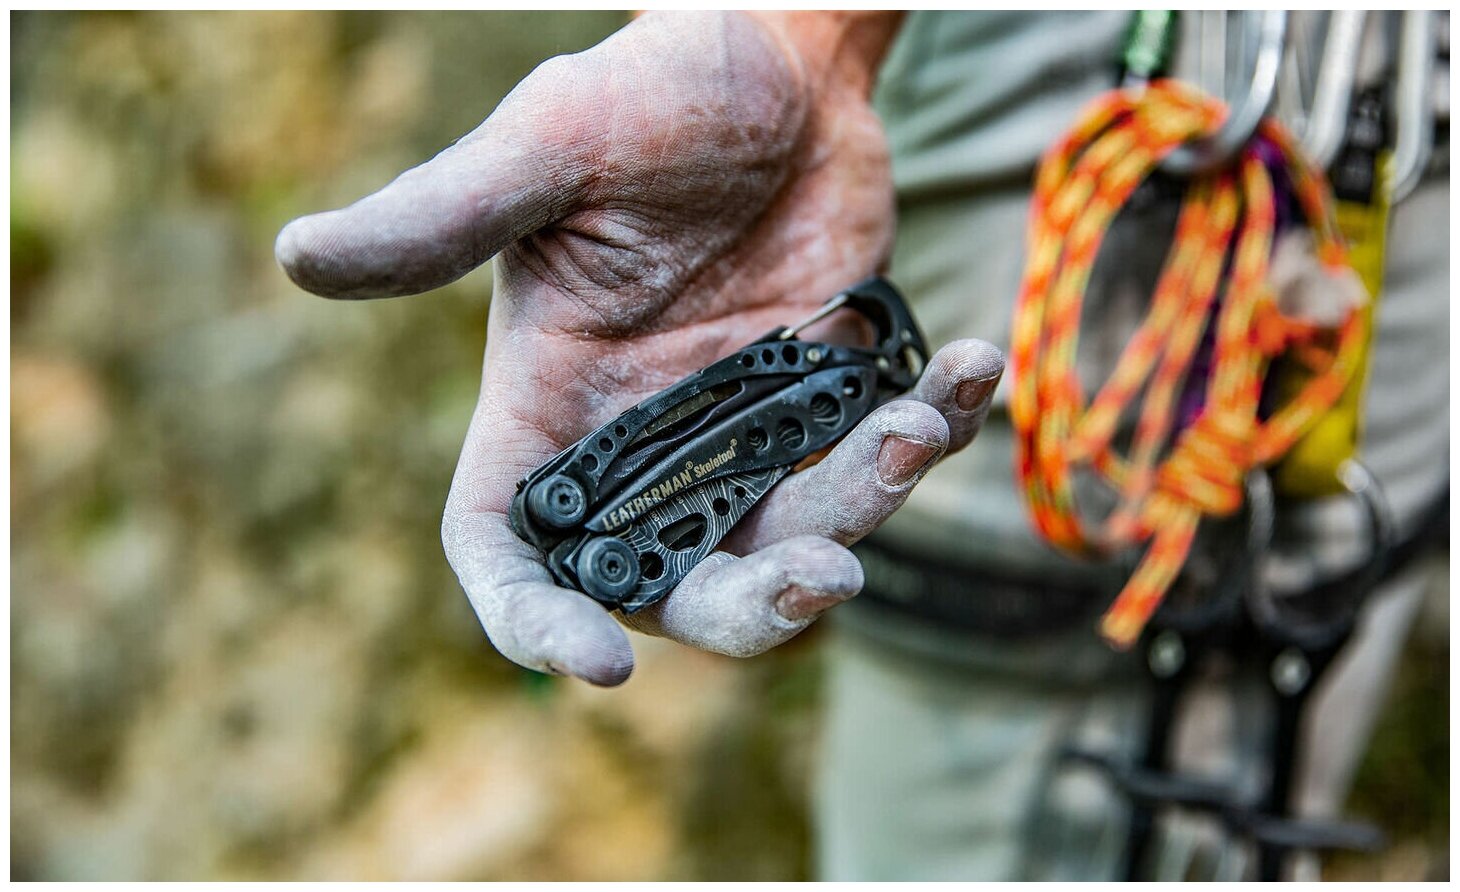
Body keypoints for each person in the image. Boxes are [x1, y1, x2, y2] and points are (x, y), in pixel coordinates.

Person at [277, 11, 1449, 880]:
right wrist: (808, 38)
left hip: (1399, 110)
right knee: (1009, 638)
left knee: (1324, 564)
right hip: (1047, 70)